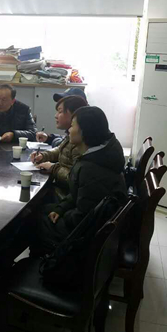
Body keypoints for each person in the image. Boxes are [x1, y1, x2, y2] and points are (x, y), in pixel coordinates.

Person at [32, 105, 127, 256]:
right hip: (90, 222)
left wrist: (64, 215)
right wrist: (61, 208)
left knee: (34, 218)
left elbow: (82, 217)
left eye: (72, 126)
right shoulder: (100, 153)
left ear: (84, 131)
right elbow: (80, 192)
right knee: (45, 209)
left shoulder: (92, 168)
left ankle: (40, 263)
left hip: (84, 237)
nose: (69, 130)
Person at [29, 95, 88, 198]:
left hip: (65, 195)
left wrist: (53, 168)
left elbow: (75, 180)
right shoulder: (71, 134)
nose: (56, 116)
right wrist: (44, 155)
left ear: (74, 114)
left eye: (60, 112)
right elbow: (60, 149)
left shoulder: (79, 142)